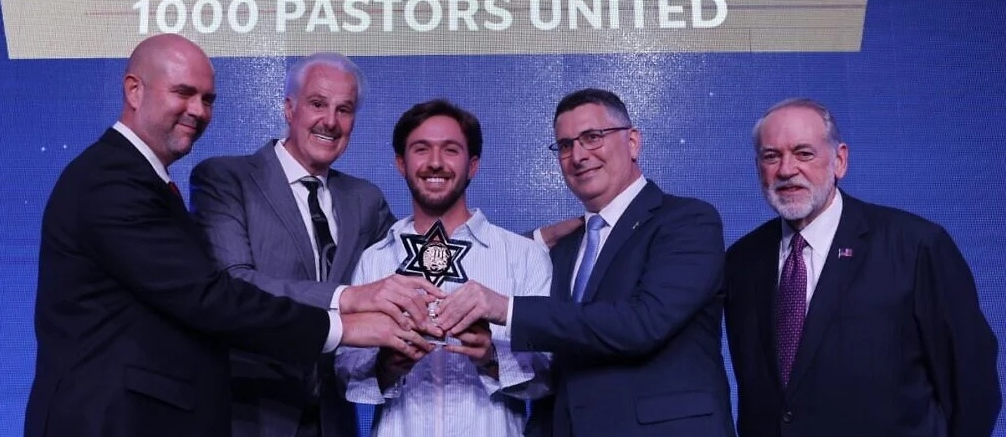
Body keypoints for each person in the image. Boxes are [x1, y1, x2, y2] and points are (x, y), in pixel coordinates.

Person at [25, 34, 435, 437]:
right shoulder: (114, 181)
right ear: (134, 90)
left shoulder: (142, 180)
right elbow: (211, 296)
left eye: (207, 99)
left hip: (299, 415)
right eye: (183, 93)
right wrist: (346, 320)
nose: (197, 111)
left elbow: (405, 266)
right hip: (114, 418)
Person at [435, 88, 735, 437]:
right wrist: (536, 240)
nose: (578, 155)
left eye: (592, 138)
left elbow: (642, 323)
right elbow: (558, 353)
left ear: (633, 141)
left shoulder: (687, 221)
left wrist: (508, 310)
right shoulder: (563, 249)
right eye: (565, 145)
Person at [724, 98, 1001, 437]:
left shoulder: (915, 246)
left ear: (839, 160)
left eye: (804, 153)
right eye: (771, 156)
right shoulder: (742, 260)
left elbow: (971, 380)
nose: (786, 169)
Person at [190, 53, 426, 437]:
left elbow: (422, 258)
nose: (330, 122)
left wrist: (532, 242)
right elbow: (234, 283)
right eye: (317, 104)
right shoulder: (226, 178)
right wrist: (347, 297)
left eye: (344, 110)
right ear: (289, 107)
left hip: (332, 419)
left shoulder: (365, 200)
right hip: (248, 412)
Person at [335, 99, 553, 437]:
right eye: (421, 149)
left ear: (473, 165)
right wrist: (387, 365)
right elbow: (345, 372)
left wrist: (492, 359)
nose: (435, 163)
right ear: (400, 164)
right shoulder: (376, 260)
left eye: (451, 150)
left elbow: (549, 374)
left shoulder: (524, 257)